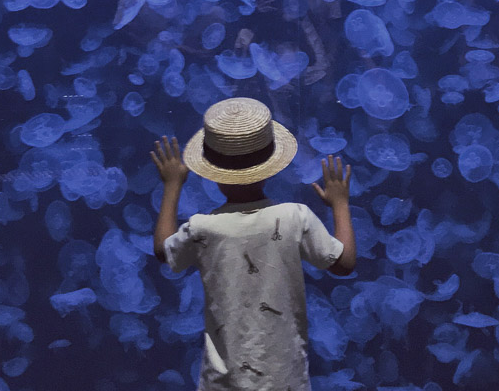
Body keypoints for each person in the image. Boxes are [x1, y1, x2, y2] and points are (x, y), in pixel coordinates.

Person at [151, 96, 356, 391]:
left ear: (214, 172)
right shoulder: (295, 216)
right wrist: (340, 204)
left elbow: (163, 250)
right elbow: (344, 263)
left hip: (222, 383)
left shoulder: (202, 228)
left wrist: (172, 185)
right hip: (285, 380)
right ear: (271, 166)